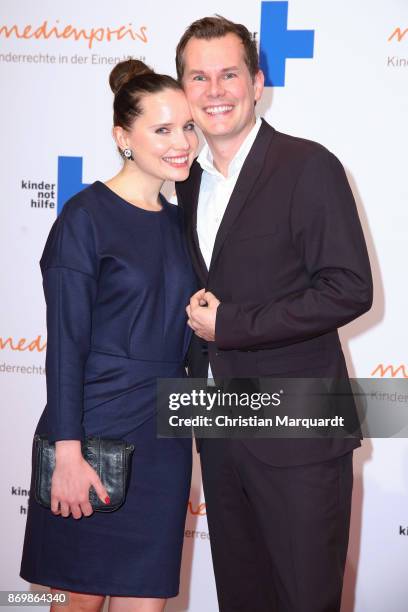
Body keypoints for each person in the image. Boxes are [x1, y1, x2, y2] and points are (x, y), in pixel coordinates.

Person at [175, 16, 373, 612]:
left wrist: (234, 324)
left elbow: (349, 288)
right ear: (182, 89)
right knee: (243, 599)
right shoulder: (184, 182)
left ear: (257, 82)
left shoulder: (308, 166)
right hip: (221, 430)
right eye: (199, 77)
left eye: (229, 74)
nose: (215, 91)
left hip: (302, 436)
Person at [20, 59, 198, 612]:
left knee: (146, 603)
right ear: (123, 137)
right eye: (162, 129)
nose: (182, 143)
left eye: (188, 126)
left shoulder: (183, 221)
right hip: (94, 439)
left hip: (163, 443)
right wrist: (68, 452)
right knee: (77, 599)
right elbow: (66, 345)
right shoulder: (84, 216)